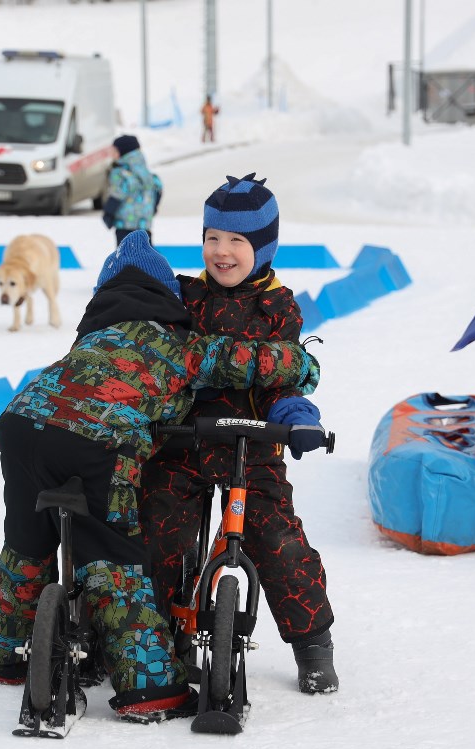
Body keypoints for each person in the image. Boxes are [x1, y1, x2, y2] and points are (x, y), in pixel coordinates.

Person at [0, 230, 321, 722]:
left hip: (20, 425)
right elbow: (246, 360)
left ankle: (5, 657)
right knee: (114, 559)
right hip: (96, 441)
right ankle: (150, 688)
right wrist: (303, 363)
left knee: (26, 546)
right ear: (166, 297)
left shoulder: (93, 336)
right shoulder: (174, 341)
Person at [139, 173, 340, 695]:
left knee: (277, 538)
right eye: (213, 238)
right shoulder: (185, 297)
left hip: (251, 443)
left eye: (237, 241)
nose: (221, 252)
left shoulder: (278, 308)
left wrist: (295, 416)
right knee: (160, 533)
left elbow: (284, 375)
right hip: (182, 439)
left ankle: (312, 642)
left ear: (264, 246)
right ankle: (162, 635)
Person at [102, 135, 162, 246]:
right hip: (144, 226)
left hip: (124, 226)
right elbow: (157, 188)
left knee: (125, 258)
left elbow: (117, 193)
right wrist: (153, 208)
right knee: (145, 258)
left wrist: (108, 213)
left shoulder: (119, 173)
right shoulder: (146, 173)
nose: (112, 154)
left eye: (114, 151)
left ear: (123, 152)